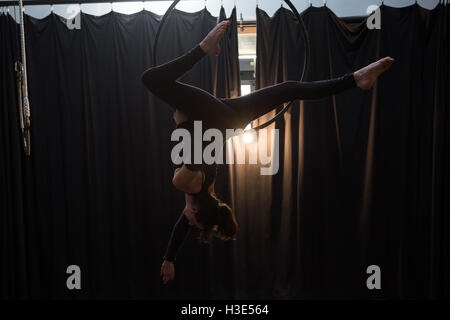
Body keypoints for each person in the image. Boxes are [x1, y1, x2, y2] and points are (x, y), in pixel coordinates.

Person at [141, 20, 394, 284]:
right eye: (194, 222)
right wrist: (183, 122)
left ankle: (355, 80)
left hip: (228, 120)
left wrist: (169, 258)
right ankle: (204, 49)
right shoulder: (185, 182)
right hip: (215, 120)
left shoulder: (207, 190)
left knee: (289, 89)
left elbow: (182, 226)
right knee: (150, 79)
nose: (188, 223)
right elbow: (201, 140)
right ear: (195, 209)